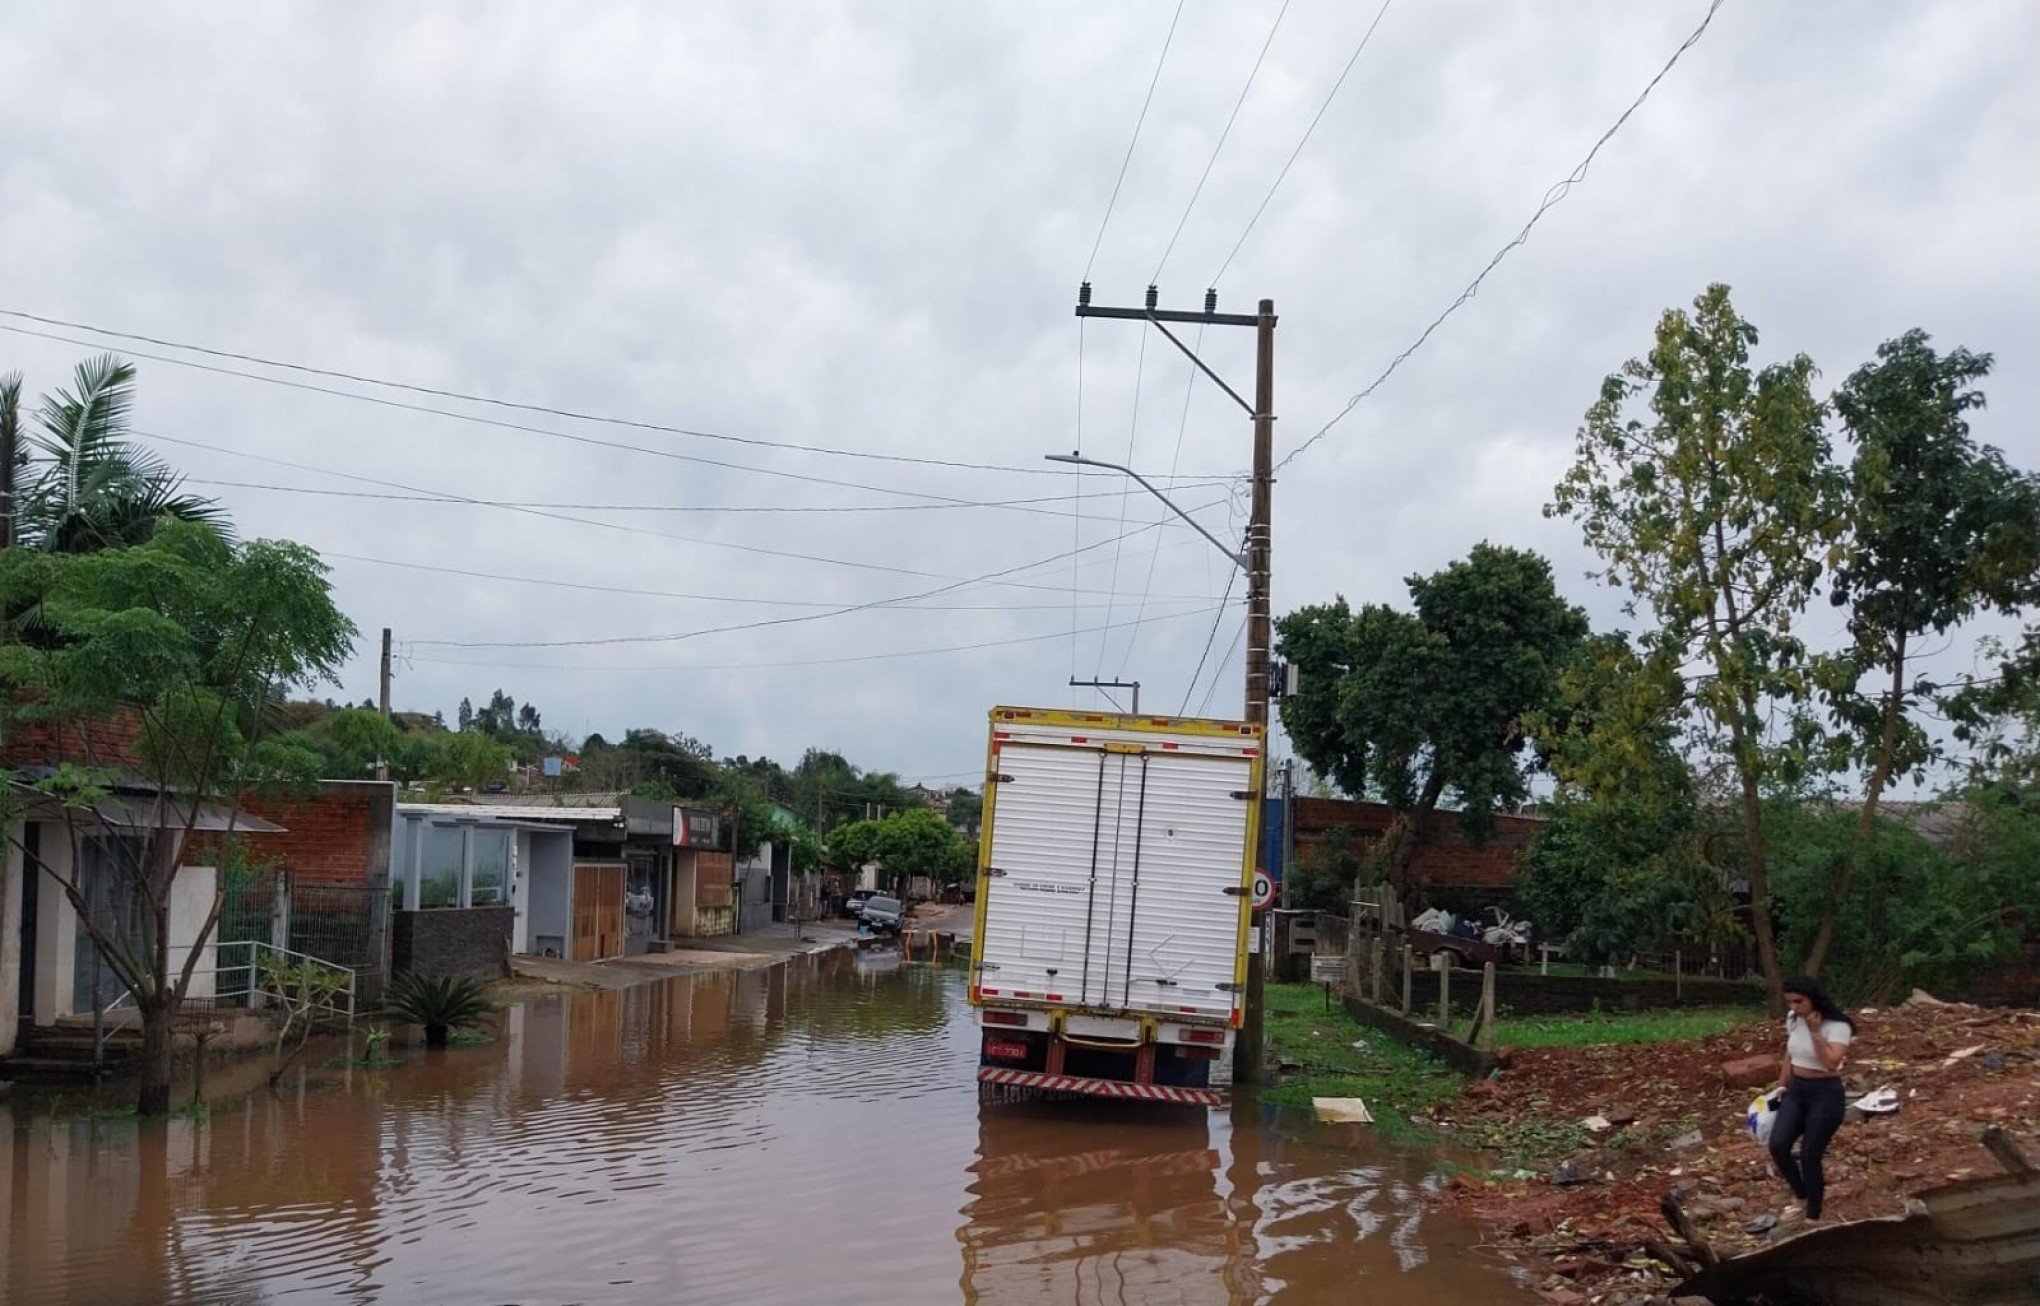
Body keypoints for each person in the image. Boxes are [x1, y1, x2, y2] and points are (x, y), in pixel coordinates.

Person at [1769, 975, 1856, 1222]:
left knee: (1810, 1155)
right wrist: (1782, 1084)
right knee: (1778, 1145)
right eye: (1789, 1002)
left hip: (1825, 1094)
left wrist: (1816, 1032)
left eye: (1799, 1001)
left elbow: (1830, 1063)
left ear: (1813, 999)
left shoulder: (1838, 1026)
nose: (1794, 1007)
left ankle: (1813, 1216)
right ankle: (1801, 1195)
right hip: (1797, 1090)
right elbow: (1790, 1051)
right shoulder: (1793, 1019)